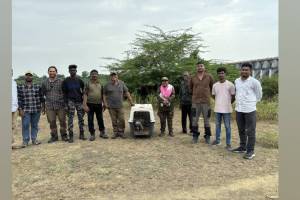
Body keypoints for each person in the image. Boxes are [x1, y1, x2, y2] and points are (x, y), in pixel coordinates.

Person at [232, 63, 262, 160]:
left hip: (250, 110)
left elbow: (259, 95)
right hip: (239, 109)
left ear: (250, 71)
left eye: (246, 70)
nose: (244, 71)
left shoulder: (255, 82)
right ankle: (242, 147)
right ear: (240, 70)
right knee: (241, 130)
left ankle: (250, 151)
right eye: (243, 69)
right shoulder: (237, 81)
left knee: (250, 131)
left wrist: (251, 103)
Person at [103, 72, 134, 139]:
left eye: (115, 75)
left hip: (120, 105)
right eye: (112, 76)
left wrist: (131, 101)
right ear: (110, 77)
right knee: (114, 120)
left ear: (117, 76)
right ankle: (115, 132)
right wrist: (105, 103)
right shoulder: (107, 85)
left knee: (121, 119)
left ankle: (121, 132)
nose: (113, 77)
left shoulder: (122, 83)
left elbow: (126, 92)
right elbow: (104, 94)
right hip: (111, 106)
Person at [41, 66, 68, 143]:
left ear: (56, 72)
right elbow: (42, 95)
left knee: (62, 121)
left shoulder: (61, 81)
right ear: (48, 72)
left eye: (53, 71)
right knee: (52, 122)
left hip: (60, 105)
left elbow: (65, 93)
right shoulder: (44, 82)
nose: (52, 72)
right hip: (49, 105)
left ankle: (64, 135)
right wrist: (43, 107)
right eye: (50, 71)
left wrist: (66, 105)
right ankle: (54, 136)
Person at [17, 71, 44, 146]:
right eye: (27, 75)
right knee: (25, 125)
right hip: (25, 110)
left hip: (36, 109)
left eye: (30, 75)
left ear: (32, 77)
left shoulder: (37, 86)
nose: (28, 76)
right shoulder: (20, 87)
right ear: (25, 77)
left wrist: (43, 107)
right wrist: (20, 109)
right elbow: (19, 99)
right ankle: (25, 141)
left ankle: (34, 139)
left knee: (35, 125)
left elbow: (41, 97)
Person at [211, 67, 235, 150]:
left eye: (222, 73)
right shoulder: (215, 85)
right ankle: (217, 140)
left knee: (227, 126)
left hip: (227, 109)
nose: (221, 74)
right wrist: (219, 102)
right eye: (219, 73)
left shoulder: (230, 84)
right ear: (217, 74)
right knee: (217, 126)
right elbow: (214, 96)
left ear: (225, 74)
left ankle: (228, 143)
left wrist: (227, 103)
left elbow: (233, 96)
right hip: (217, 109)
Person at [190, 61, 214, 144]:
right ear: (196, 68)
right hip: (195, 102)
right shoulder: (193, 78)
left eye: (201, 66)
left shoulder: (209, 76)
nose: (200, 67)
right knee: (194, 120)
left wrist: (208, 95)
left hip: (206, 102)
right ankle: (195, 136)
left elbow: (212, 87)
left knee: (207, 120)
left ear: (204, 67)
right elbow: (191, 88)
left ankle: (207, 136)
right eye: (198, 66)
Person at [62, 64, 86, 143]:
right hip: (70, 101)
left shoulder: (79, 80)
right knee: (70, 118)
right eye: (71, 70)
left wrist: (83, 101)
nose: (72, 71)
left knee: (81, 118)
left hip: (79, 101)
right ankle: (71, 136)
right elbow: (64, 93)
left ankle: (82, 134)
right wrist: (65, 104)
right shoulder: (66, 81)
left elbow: (83, 90)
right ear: (69, 71)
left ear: (76, 71)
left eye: (74, 70)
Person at [83, 69, 109, 141]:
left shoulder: (101, 84)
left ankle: (102, 132)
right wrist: (84, 105)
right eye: (93, 74)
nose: (94, 75)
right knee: (90, 119)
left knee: (100, 119)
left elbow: (103, 94)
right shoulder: (87, 84)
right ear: (90, 75)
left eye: (95, 74)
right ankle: (92, 134)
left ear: (98, 75)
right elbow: (85, 94)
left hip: (99, 104)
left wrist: (105, 104)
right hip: (90, 104)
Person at [11, 69, 25, 149]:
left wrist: (19, 108)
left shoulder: (14, 82)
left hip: (14, 107)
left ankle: (13, 143)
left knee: (14, 126)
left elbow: (17, 96)